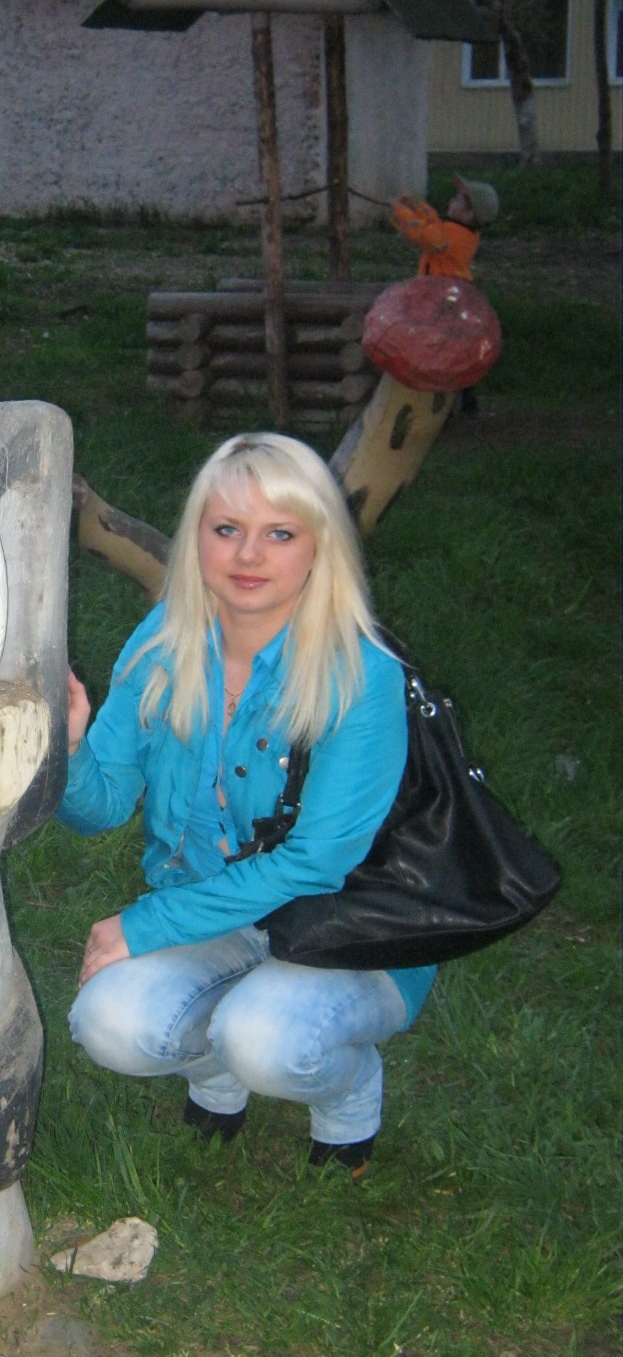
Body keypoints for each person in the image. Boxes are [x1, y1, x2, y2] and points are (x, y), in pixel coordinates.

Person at [58, 432, 436, 1177]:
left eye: (280, 533)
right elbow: (101, 806)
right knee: (108, 1022)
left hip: (349, 929)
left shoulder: (361, 674)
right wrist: (66, 751)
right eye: (227, 528)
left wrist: (148, 924)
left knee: (264, 1037)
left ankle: (348, 1089)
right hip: (217, 914)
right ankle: (217, 1070)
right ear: (197, 538)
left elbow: (315, 864)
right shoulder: (164, 642)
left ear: (320, 546)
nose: (249, 555)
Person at [390, 174, 499, 281]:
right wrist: (416, 206)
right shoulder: (465, 233)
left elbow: (420, 232)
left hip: (438, 288)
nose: (451, 200)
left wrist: (399, 210)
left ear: (470, 214)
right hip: (451, 287)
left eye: (458, 199)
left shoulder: (450, 235)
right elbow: (433, 223)